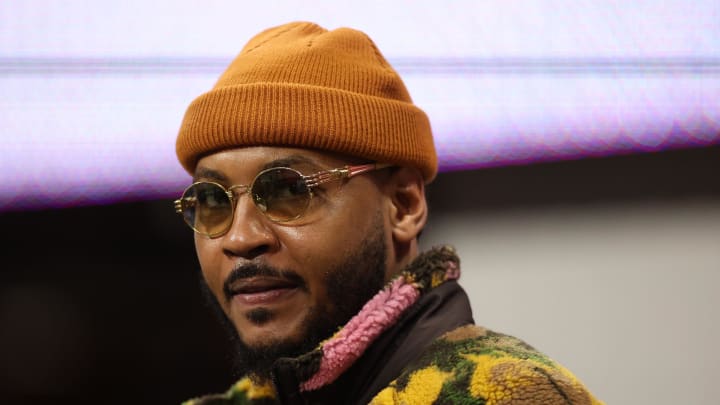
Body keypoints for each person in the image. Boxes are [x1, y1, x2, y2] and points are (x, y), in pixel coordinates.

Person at [174, 21, 602, 405]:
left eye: (289, 190)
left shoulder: (508, 394)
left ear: (404, 205)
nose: (240, 238)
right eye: (213, 200)